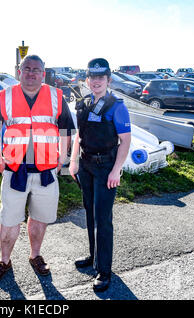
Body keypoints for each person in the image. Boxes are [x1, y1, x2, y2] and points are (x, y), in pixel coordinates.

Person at [0, 55, 75, 281]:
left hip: (46, 171)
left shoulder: (57, 96)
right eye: (26, 68)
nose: (31, 73)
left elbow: (66, 129)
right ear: (19, 71)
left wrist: (63, 159)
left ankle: (35, 256)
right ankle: (4, 260)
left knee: (39, 218)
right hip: (15, 170)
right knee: (9, 220)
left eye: (36, 69)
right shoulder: (4, 96)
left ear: (43, 73)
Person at [69, 58, 131, 292]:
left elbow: (125, 141)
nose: (96, 81)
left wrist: (116, 169)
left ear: (108, 80)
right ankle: (93, 257)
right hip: (86, 166)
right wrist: (73, 162)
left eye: (101, 78)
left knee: (103, 219)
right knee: (90, 213)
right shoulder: (83, 103)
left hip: (106, 168)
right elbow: (79, 136)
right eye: (92, 77)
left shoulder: (117, 106)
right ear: (87, 80)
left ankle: (104, 271)